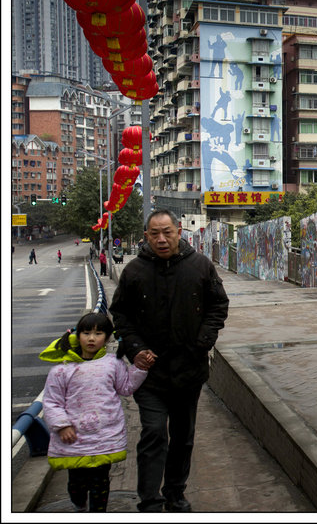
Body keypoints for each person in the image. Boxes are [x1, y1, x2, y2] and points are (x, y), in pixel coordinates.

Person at [110, 209, 229, 512]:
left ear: (179, 231)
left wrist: (203, 341)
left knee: (183, 436)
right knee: (152, 432)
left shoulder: (200, 265)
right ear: (146, 236)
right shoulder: (135, 271)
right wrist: (135, 348)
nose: (161, 239)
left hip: (189, 370)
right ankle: (150, 500)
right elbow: (120, 313)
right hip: (149, 374)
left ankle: (175, 492)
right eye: (154, 234)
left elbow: (218, 304)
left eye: (167, 232)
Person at [39, 312, 150, 512]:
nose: (91, 338)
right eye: (87, 333)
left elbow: (125, 388)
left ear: (107, 338)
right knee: (76, 484)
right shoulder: (62, 370)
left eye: (98, 334)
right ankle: (79, 506)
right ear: (77, 335)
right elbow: (52, 401)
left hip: (104, 436)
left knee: (101, 483)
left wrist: (139, 368)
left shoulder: (113, 364)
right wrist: (62, 425)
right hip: (74, 439)